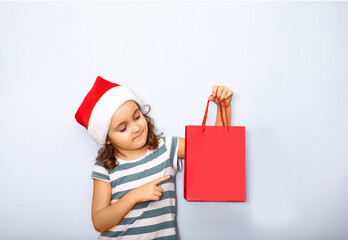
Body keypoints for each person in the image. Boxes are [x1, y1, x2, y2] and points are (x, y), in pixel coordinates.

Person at [75, 76, 233, 239]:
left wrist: (224, 108)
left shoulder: (166, 148)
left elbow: (213, 152)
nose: (136, 128)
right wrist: (134, 196)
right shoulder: (104, 167)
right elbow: (99, 222)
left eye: (137, 117)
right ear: (107, 138)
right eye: (123, 128)